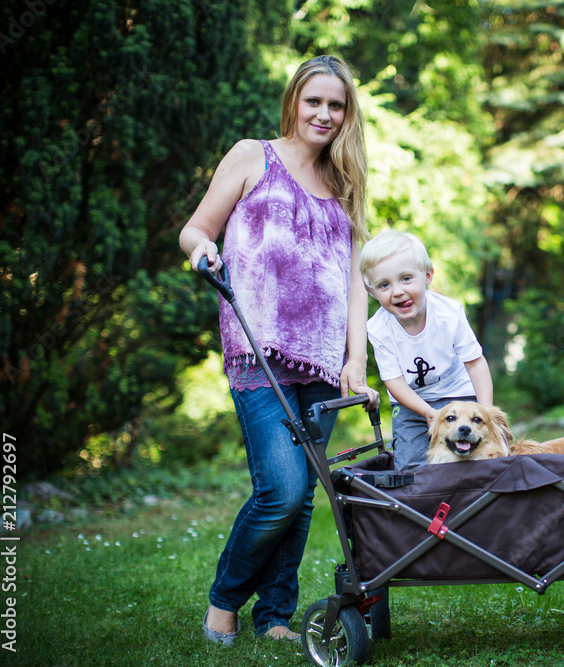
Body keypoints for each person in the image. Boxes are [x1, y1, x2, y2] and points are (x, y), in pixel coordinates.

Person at [178, 55, 379, 645]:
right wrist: (202, 252)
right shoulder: (251, 156)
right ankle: (225, 599)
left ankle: (274, 616)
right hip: (258, 350)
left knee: (304, 494)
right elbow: (196, 228)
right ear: (294, 100)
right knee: (282, 489)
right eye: (313, 100)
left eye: (335, 105)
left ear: (347, 115)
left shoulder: (345, 184)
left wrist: (353, 359)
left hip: (320, 361)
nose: (323, 113)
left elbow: (351, 285)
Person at [360, 229, 493, 470]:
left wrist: (485, 411)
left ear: (427, 275)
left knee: (479, 456)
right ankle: (422, 504)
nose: (398, 291)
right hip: (414, 403)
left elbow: (475, 363)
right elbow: (395, 382)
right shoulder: (378, 328)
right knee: (411, 464)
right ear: (372, 293)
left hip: (458, 394)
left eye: (406, 278)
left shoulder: (449, 313)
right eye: (384, 285)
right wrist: (428, 412)